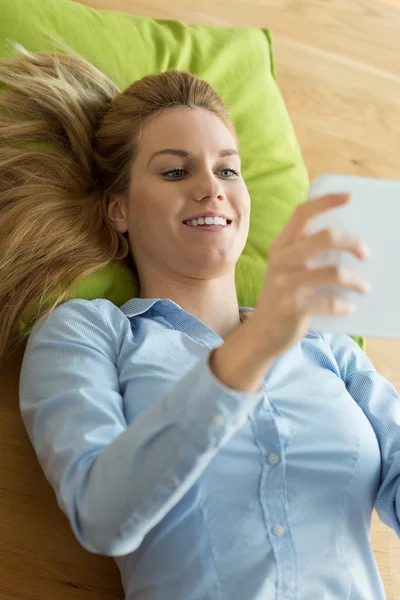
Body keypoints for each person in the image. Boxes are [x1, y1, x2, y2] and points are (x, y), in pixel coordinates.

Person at [1, 44, 399, 600]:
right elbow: (101, 515)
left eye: (228, 168)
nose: (211, 186)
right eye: (175, 170)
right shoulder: (87, 334)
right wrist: (255, 348)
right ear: (119, 208)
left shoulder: (329, 348)